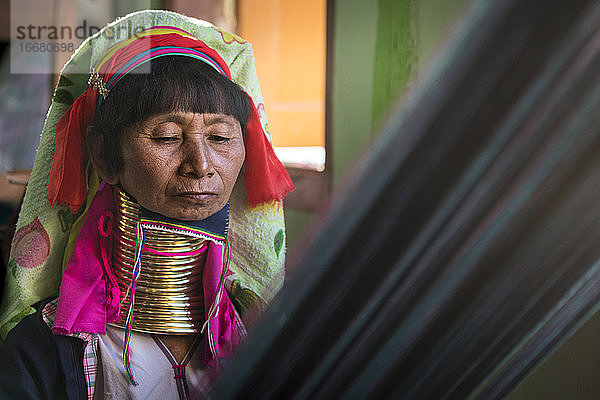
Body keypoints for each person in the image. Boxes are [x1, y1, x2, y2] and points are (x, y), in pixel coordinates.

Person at [0, 10, 293, 399]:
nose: (201, 165)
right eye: (167, 137)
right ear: (103, 156)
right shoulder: (39, 352)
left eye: (220, 137)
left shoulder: (263, 337)